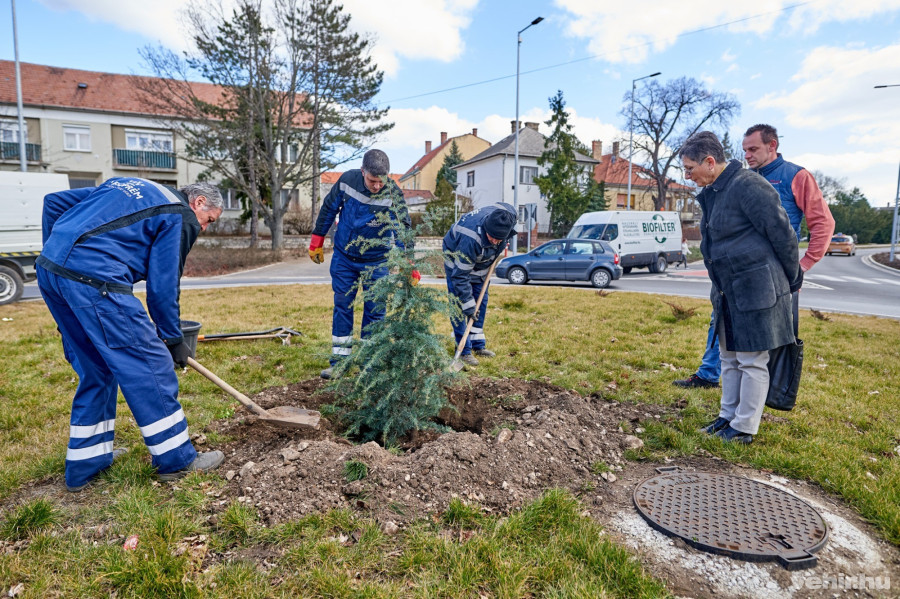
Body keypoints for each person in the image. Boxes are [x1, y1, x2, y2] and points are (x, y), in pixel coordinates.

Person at [37, 178, 226, 492]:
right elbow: (162, 286)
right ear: (199, 202)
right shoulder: (179, 214)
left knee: (97, 369)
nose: (203, 228)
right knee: (150, 365)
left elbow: (54, 202)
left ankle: (87, 463)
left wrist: (56, 252)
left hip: (51, 270)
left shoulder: (129, 186)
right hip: (96, 281)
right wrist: (172, 340)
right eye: (209, 220)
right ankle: (177, 460)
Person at [673, 123, 835, 389]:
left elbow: (822, 223)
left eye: (753, 149)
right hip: (736, 275)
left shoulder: (796, 176)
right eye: (744, 149)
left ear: (772, 146)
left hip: (773, 274)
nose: (747, 155)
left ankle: (769, 390)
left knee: (765, 341)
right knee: (722, 325)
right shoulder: (738, 178)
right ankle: (710, 373)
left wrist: (803, 265)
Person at [679, 132, 802, 444]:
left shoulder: (748, 185)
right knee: (730, 358)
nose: (688, 176)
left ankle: (744, 427)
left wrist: (792, 279)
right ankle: (727, 417)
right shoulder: (715, 191)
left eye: (690, 168)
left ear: (710, 162)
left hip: (756, 289)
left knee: (751, 360)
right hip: (728, 290)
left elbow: (783, 234)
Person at [309, 149, 412, 379]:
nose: (377, 186)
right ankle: (340, 362)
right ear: (362, 171)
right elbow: (329, 208)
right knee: (343, 306)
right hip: (345, 257)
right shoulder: (347, 181)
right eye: (372, 180)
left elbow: (402, 227)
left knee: (375, 311)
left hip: (377, 261)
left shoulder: (393, 192)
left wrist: (409, 262)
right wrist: (317, 238)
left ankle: (370, 365)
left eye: (381, 180)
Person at [443, 203, 517, 366]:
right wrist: (468, 305)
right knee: (460, 304)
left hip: (482, 261)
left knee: (480, 302)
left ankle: (477, 344)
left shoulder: (507, 218)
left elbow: (507, 210)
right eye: (492, 237)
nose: (495, 241)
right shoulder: (470, 238)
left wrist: (501, 242)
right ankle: (463, 350)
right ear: (486, 229)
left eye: (499, 239)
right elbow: (460, 276)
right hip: (456, 260)